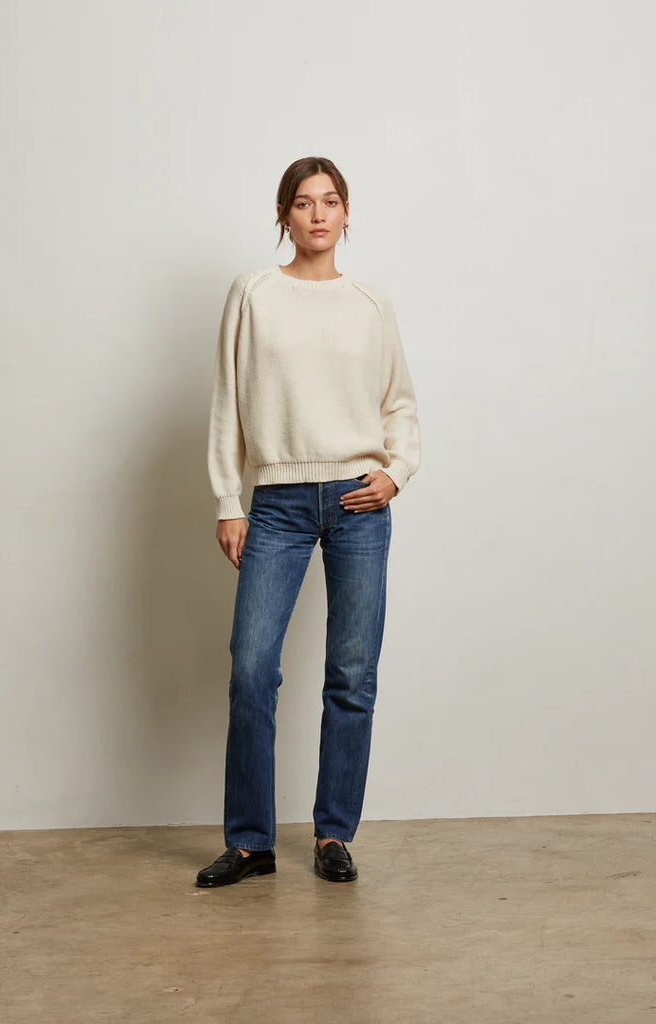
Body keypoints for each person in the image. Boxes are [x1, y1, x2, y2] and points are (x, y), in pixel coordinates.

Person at [195, 156, 421, 887]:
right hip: (278, 503)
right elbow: (228, 399)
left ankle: (332, 835)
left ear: (347, 212)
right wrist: (229, 499)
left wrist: (396, 470)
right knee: (252, 668)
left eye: (330, 201)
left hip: (359, 500)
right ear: (283, 215)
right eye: (302, 202)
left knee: (352, 675)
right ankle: (251, 843)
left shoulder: (370, 303)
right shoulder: (253, 293)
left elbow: (398, 402)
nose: (318, 214)